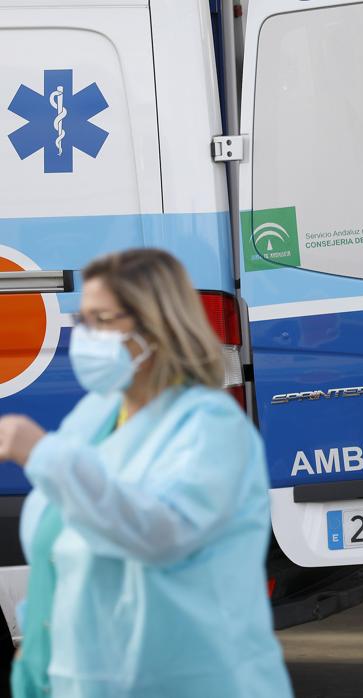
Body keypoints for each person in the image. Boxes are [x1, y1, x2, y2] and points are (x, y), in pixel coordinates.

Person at [0, 249, 292, 698]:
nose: (87, 337)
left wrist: (41, 453)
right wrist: (38, 659)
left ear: (157, 327)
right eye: (84, 320)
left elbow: (160, 534)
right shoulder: (95, 416)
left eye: (104, 319)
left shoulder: (210, 428)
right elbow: (63, 550)